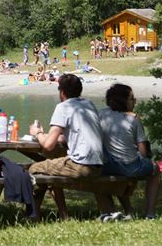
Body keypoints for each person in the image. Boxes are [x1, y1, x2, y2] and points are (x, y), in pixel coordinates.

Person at [28, 74, 104, 219]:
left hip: (82, 165)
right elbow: (77, 133)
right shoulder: (89, 105)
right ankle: (62, 215)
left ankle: (34, 214)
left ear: (62, 92)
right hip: (99, 165)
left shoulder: (63, 107)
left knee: (34, 169)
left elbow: (48, 145)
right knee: (52, 166)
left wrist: (37, 133)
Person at [97, 84, 161, 221]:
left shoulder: (101, 114)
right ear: (123, 101)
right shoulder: (133, 119)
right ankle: (150, 213)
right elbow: (143, 153)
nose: (134, 101)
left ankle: (124, 211)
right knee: (155, 169)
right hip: (129, 167)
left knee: (117, 172)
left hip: (106, 166)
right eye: (132, 99)